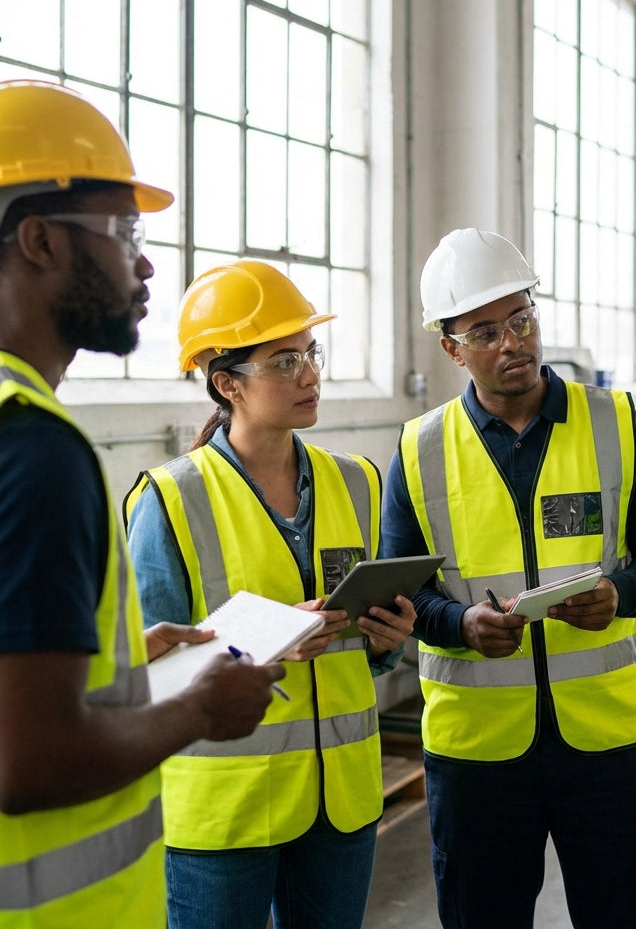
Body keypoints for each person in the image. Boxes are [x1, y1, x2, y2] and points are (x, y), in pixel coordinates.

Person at [0, 80, 284, 928]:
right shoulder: (38, 451)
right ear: (42, 240)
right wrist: (197, 708)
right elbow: (27, 760)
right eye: (124, 231)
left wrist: (127, 661)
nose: (146, 261)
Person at [380, 227, 636, 929]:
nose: (511, 342)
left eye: (521, 319)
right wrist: (459, 625)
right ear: (450, 348)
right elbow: (403, 594)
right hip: (477, 756)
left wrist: (622, 595)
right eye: (485, 331)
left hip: (608, 742)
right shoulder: (420, 449)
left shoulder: (612, 421)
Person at [124, 258, 417, 929]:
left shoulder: (358, 482)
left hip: (339, 801)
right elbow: (150, 674)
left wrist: (386, 640)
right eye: (284, 362)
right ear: (227, 383)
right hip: (224, 812)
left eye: (310, 353)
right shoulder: (171, 499)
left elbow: (368, 655)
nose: (311, 375)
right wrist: (274, 636)